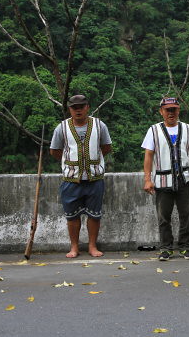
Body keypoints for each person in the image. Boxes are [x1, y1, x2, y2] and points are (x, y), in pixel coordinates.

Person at [50, 95, 112, 258]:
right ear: (69, 109)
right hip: (71, 179)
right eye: (74, 107)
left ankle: (92, 246)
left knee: (94, 215)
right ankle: (74, 247)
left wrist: (92, 161)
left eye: (81, 106)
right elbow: (55, 150)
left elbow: (106, 147)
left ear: (87, 107)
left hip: (95, 178)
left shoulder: (99, 125)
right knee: (72, 215)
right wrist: (70, 162)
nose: (78, 110)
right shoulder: (62, 127)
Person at [142, 97, 189, 261]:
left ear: (178, 111)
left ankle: (186, 247)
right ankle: (166, 248)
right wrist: (147, 179)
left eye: (174, 109)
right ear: (161, 111)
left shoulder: (186, 128)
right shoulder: (154, 130)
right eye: (167, 110)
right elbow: (148, 156)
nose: (171, 113)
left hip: (185, 179)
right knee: (163, 216)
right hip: (163, 180)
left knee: (186, 215)